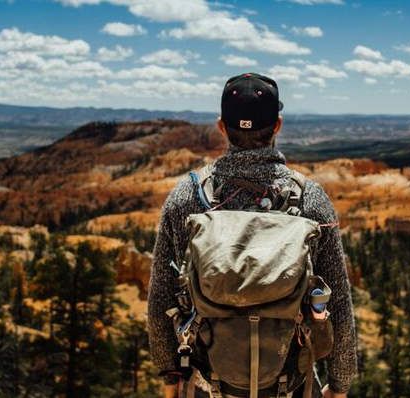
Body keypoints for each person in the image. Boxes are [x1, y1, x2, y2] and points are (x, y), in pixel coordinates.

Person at [147, 73, 357, 398]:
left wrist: (168, 375)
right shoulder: (310, 199)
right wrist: (340, 385)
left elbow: (161, 294)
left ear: (221, 126)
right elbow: (337, 300)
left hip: (209, 382)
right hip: (291, 384)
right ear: (277, 125)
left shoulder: (186, 197)